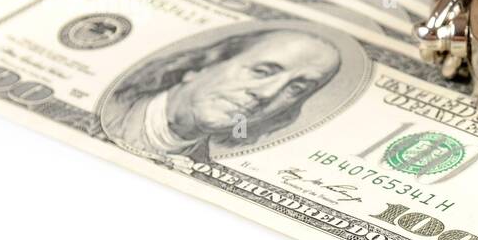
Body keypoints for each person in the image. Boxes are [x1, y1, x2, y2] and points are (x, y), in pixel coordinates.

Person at [102, 27, 340, 161]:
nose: (268, 94)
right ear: (202, 66)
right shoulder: (111, 110)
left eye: (296, 89)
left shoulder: (204, 168)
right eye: (262, 71)